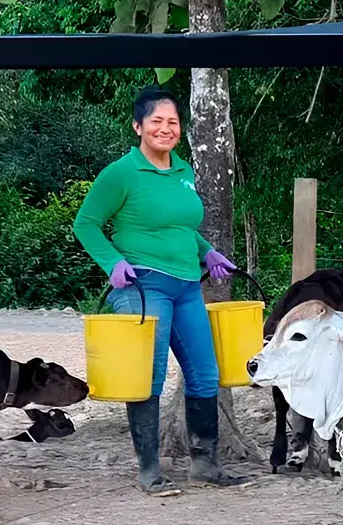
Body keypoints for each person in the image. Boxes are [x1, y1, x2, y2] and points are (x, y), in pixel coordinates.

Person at [73, 85, 251, 496]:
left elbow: (183, 227)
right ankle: (150, 470)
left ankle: (205, 464)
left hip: (188, 286)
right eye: (157, 121)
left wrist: (208, 253)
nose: (166, 128)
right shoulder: (120, 173)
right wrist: (112, 261)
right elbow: (86, 223)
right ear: (138, 126)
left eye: (173, 122)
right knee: (146, 377)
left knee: (206, 373)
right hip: (143, 286)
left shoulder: (183, 171)